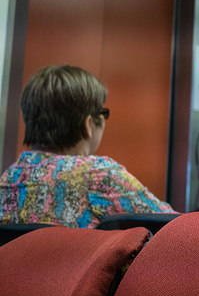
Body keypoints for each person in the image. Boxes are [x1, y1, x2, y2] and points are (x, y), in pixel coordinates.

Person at [0, 65, 176, 228]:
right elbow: (174, 225)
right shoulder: (97, 176)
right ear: (88, 124)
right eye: (103, 112)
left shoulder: (9, 178)